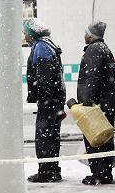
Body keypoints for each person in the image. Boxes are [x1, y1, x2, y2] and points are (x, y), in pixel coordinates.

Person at [24, 18, 66, 183]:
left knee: (44, 138)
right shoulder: (47, 44)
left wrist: (44, 99)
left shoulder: (41, 47)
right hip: (54, 101)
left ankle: (47, 172)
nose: (24, 36)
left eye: (25, 33)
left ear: (32, 33)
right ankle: (52, 170)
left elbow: (45, 78)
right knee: (51, 137)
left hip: (49, 102)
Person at [77, 21, 115, 185]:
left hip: (97, 106)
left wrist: (88, 102)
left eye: (85, 33)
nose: (84, 36)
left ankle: (99, 174)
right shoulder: (104, 48)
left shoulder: (94, 50)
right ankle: (105, 173)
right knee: (105, 140)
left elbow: (93, 78)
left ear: (91, 35)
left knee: (95, 140)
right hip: (107, 103)